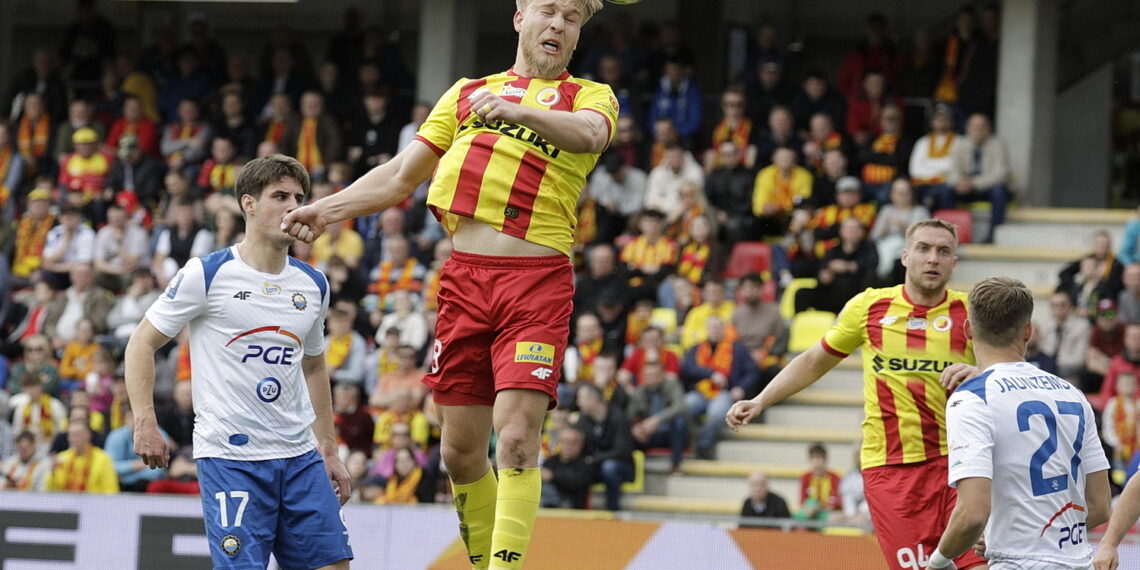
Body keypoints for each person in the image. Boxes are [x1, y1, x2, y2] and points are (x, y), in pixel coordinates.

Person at [280, 1, 615, 565]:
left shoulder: (589, 96)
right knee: (459, 454)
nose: (558, 25)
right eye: (548, 12)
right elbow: (399, 176)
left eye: (573, 19)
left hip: (537, 285)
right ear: (519, 18)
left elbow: (588, 135)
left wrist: (516, 109)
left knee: (514, 439)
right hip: (464, 283)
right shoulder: (466, 93)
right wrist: (326, 210)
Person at [124, 155, 353, 569]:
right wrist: (145, 420)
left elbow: (315, 366)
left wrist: (329, 448)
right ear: (248, 204)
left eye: (299, 197)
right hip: (232, 459)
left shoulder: (313, 283)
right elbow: (141, 343)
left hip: (300, 456)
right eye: (279, 196)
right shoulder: (207, 274)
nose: (293, 206)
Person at [726, 218, 986, 570]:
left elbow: (1011, 373)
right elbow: (814, 361)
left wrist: (984, 373)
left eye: (943, 251)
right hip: (891, 469)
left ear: (954, 263)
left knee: (977, 565)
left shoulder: (972, 313)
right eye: (923, 249)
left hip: (959, 465)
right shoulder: (869, 307)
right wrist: (760, 400)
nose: (933, 259)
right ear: (905, 256)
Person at [929, 277, 1110, 569]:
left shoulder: (972, 398)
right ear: (1028, 331)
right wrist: (1026, 535)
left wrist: (937, 561)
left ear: (968, 330)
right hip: (1079, 562)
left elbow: (972, 515)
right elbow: (1101, 507)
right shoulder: (1072, 394)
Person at [47, 421, 119, 493]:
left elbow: (111, 490)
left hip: (94, 502)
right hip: (67, 502)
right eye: (70, 435)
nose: (72, 439)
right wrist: (53, 472)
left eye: (77, 435)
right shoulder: (62, 458)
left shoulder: (103, 459)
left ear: (88, 435)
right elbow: (52, 491)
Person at [539, 425, 593, 509]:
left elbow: (576, 483)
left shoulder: (586, 463)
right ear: (559, 443)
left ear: (581, 444)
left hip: (575, 511)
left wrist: (552, 476)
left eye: (574, 442)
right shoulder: (551, 461)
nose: (569, 445)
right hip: (550, 511)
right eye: (565, 441)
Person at [796, 443, 841, 520]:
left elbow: (836, 501)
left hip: (826, 512)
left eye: (820, 459)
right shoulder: (805, 477)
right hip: (809, 512)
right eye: (815, 459)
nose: (818, 463)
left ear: (826, 460)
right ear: (809, 460)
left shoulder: (834, 477)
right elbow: (802, 501)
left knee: (837, 517)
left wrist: (820, 507)